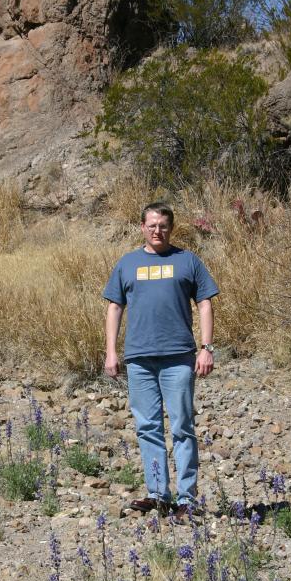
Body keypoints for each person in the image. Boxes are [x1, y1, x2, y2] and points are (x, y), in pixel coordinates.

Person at [103, 202, 219, 523]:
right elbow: (114, 308)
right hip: (139, 358)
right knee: (148, 427)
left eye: (163, 226)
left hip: (179, 357)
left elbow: (205, 303)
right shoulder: (127, 264)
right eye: (152, 225)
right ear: (142, 227)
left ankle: (186, 498)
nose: (158, 231)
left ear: (171, 228)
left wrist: (206, 347)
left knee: (182, 425)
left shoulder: (187, 261)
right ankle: (158, 495)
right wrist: (111, 352)